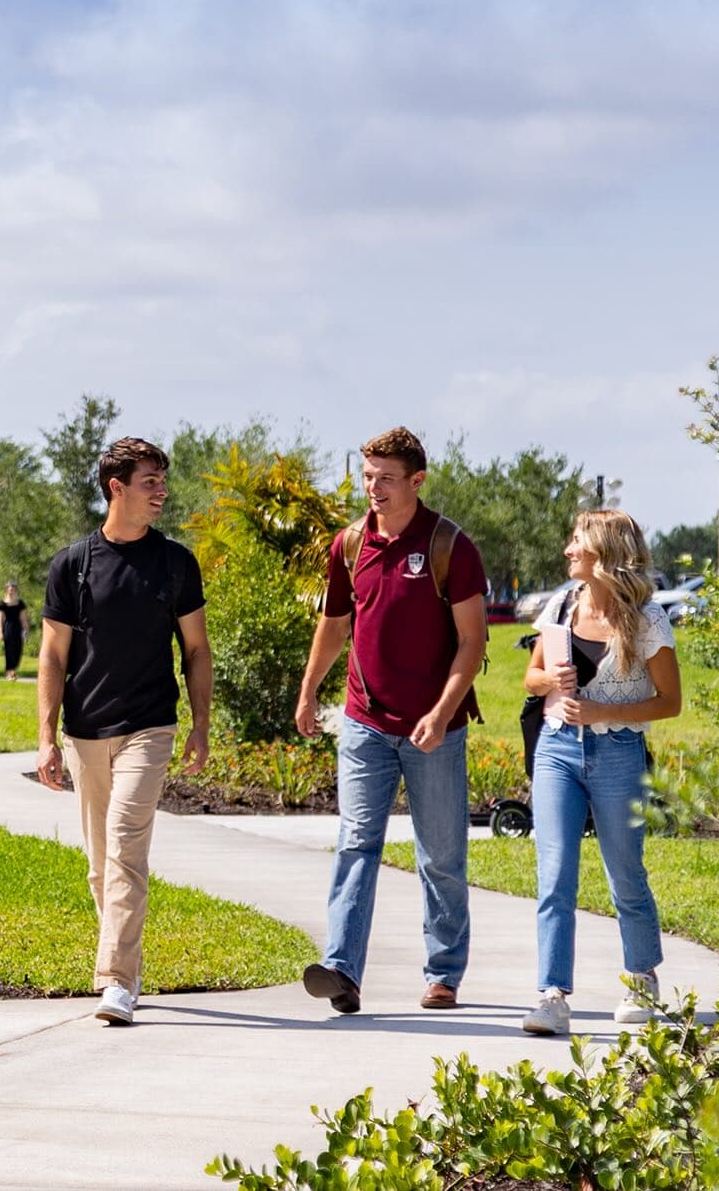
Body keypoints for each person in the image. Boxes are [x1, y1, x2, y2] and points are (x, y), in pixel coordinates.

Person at [293, 426, 489, 1014]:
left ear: (417, 481)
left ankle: (443, 973)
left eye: (385, 478)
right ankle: (343, 969)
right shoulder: (350, 544)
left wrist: (442, 711)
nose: (372, 487)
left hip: (435, 728)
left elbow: (473, 644)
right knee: (355, 843)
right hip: (364, 722)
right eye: (367, 475)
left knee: (441, 856)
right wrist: (308, 692)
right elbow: (333, 626)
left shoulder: (450, 546)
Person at [38, 437, 212, 1027]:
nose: (161, 491)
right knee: (100, 864)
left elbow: (196, 650)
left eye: (163, 481)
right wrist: (45, 736)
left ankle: (117, 980)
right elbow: (53, 656)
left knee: (124, 848)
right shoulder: (73, 564)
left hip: (150, 726)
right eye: (149, 482)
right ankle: (123, 962)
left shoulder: (175, 564)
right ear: (116, 488)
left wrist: (200, 725)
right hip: (86, 728)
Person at [521, 510, 682, 1036]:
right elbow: (531, 677)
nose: (568, 550)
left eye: (578, 543)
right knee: (555, 873)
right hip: (557, 751)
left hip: (618, 754)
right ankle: (551, 995)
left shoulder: (648, 618)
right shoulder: (561, 606)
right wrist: (551, 679)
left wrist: (604, 712)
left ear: (605, 553)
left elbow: (670, 703)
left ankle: (642, 977)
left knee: (624, 872)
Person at [0, 581, 29, 680]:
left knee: (18, 650)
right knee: (9, 651)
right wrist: (0, 632)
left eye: (13, 589)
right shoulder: (3, 604)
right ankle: (10, 673)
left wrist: (26, 630)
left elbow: (23, 618)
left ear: (16, 590)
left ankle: (13, 670)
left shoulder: (20, 603)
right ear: (6, 590)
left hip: (17, 628)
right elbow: (0, 619)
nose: (11, 591)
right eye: (9, 589)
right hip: (8, 628)